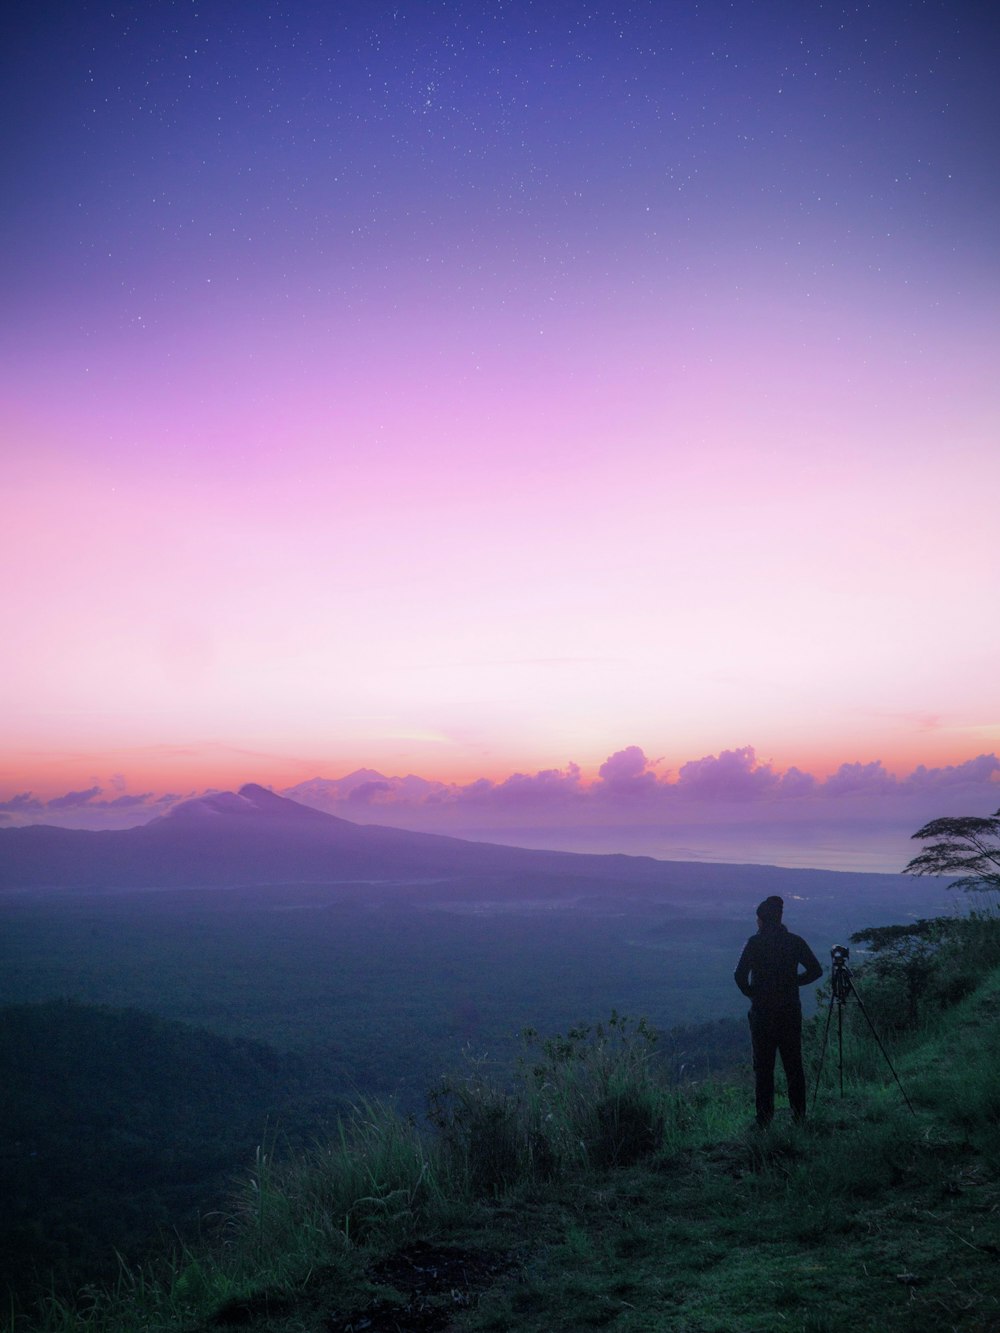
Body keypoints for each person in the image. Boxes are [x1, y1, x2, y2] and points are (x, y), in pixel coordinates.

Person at [734, 895, 823, 1128]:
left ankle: (764, 1119)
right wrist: (793, 982)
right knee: (793, 1064)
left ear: (762, 920)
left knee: (763, 1068)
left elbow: (739, 976)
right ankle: (799, 1116)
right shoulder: (795, 942)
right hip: (790, 1012)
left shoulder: (755, 943)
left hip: (762, 1014)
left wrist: (754, 994)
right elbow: (816, 970)